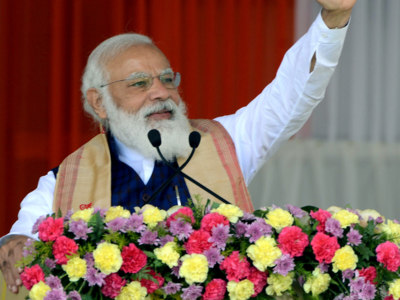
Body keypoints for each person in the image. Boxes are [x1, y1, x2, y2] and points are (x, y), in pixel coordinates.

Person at [0, 0, 356, 294]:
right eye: (139, 83)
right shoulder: (63, 181)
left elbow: (290, 97)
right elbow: (21, 243)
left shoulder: (220, 144)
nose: (161, 92)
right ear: (99, 103)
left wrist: (333, 18)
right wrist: (12, 244)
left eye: (167, 79)